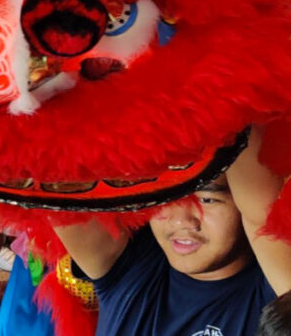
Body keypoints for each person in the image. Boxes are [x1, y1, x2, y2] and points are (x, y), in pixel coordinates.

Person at [54, 127, 289, 336]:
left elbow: (261, 211)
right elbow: (55, 176)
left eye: (207, 200)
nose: (180, 220)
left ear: (240, 199)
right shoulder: (129, 270)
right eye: (166, 199)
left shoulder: (277, 289)